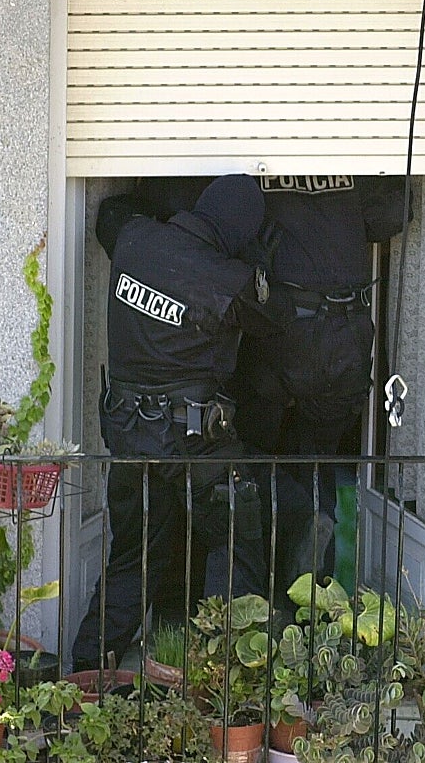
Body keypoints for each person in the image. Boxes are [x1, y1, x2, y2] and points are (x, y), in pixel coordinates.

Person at [72, 175, 286, 671]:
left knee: (133, 558)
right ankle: (221, 681)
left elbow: (111, 215)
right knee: (237, 544)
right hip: (195, 443)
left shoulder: (133, 239)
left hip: (129, 434)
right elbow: (273, 322)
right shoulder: (224, 279)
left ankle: (84, 674)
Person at [229, 175, 410, 601]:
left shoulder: (252, 169)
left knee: (249, 458)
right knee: (315, 460)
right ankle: (315, 607)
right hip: (346, 341)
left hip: (281, 335)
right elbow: (394, 217)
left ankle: (256, 599)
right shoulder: (353, 165)